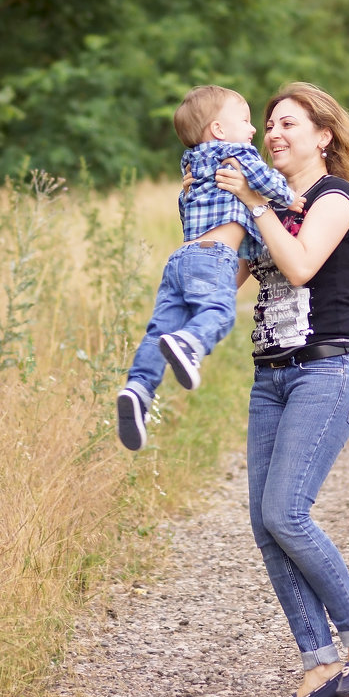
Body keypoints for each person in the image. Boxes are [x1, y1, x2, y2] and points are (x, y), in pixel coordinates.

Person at [214, 81, 349, 697]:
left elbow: (299, 265)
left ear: (324, 137)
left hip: (328, 371)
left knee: (287, 513)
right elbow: (221, 281)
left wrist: (256, 203)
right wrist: (208, 215)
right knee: (266, 526)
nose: (273, 133)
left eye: (289, 123)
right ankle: (318, 660)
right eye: (267, 125)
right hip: (272, 379)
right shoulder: (264, 205)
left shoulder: (334, 198)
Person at [116, 85, 295, 451]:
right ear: (218, 129)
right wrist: (292, 198)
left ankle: (138, 389)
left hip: (181, 259)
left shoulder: (192, 163)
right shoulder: (237, 155)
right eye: (245, 121)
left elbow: (188, 209)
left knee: (158, 330)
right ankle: (191, 342)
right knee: (218, 311)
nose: (253, 130)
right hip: (214, 256)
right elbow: (267, 183)